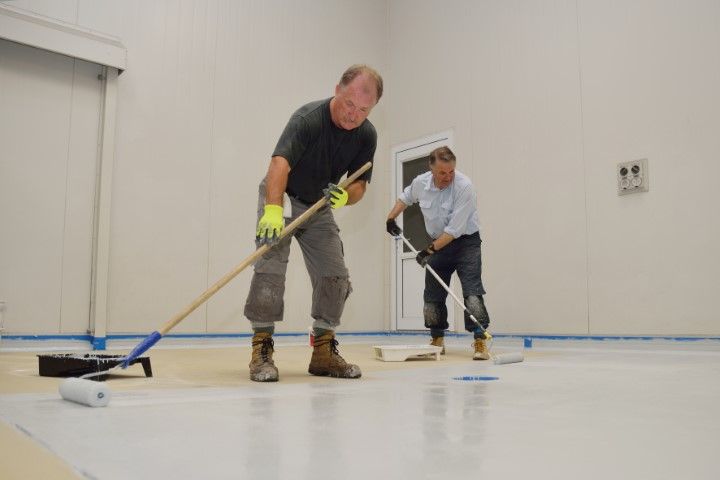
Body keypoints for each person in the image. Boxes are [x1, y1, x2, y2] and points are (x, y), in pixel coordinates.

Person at [244, 64, 383, 382]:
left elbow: (360, 184)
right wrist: (273, 212)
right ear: (338, 90)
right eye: (349, 104)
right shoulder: (308, 118)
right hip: (283, 194)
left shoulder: (366, 135)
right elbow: (279, 163)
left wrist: (345, 197)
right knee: (270, 270)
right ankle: (261, 350)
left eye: (363, 110)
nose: (353, 115)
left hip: (320, 204)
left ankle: (323, 351)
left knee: (335, 275)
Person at [385, 146, 491, 360]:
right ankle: (437, 340)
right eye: (442, 172)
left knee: (472, 292)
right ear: (431, 169)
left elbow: (454, 230)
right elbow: (405, 197)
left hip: (465, 243)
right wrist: (390, 218)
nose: (448, 177)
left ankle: (480, 339)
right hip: (438, 242)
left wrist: (428, 251)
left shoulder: (464, 187)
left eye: (451, 171)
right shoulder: (421, 183)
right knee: (432, 295)